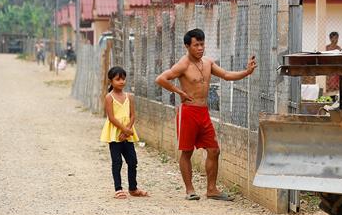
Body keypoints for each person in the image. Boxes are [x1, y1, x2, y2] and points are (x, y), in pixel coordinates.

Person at [155, 28, 256, 201]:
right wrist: (178, 92)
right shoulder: (183, 64)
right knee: (186, 152)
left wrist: (246, 72)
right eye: (196, 45)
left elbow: (225, 75)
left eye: (202, 44)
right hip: (188, 112)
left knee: (214, 150)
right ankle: (190, 190)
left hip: (203, 112)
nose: (200, 48)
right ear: (187, 46)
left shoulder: (208, 62)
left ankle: (212, 189)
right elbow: (161, 79)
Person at [101, 66, 148, 199]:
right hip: (115, 134)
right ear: (111, 81)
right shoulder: (109, 97)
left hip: (128, 133)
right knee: (117, 161)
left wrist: (127, 131)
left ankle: (133, 188)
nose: (121, 82)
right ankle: (118, 189)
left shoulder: (129, 97)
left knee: (132, 161)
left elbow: (133, 115)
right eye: (118, 79)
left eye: (123, 79)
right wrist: (123, 130)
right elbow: (111, 117)